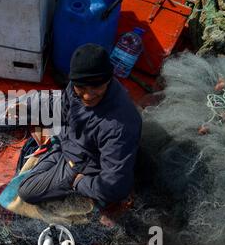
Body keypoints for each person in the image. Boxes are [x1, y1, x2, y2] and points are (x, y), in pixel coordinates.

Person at [18, 44, 142, 207]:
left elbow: (115, 187)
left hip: (83, 164)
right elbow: (63, 110)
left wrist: (79, 183)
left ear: (109, 79)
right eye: (81, 87)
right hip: (66, 144)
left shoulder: (120, 126)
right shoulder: (74, 86)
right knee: (22, 107)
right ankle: (54, 155)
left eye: (96, 87)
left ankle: (68, 180)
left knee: (25, 191)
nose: (88, 95)